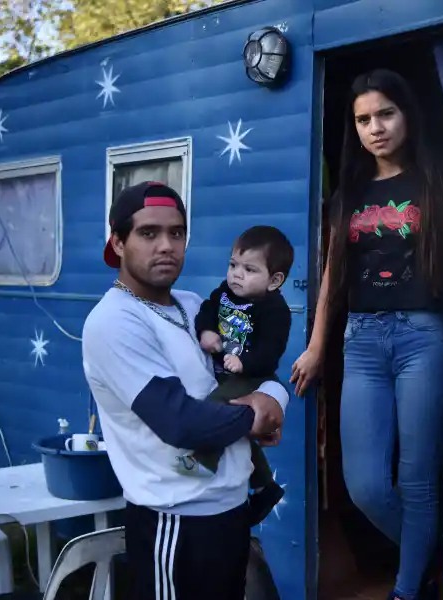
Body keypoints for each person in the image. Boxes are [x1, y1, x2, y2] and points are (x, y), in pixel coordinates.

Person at [81, 181, 288, 600]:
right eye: (148, 233)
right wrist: (255, 415)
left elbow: (260, 369)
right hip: (174, 523)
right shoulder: (114, 322)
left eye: (176, 233)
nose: (166, 245)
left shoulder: (196, 306)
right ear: (118, 242)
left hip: (230, 511)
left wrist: (274, 398)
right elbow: (182, 421)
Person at [289, 69, 443, 600]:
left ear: (407, 114)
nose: (375, 128)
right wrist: (316, 345)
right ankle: (440, 561)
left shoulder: (438, 179)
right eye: (363, 119)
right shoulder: (351, 191)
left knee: (417, 481)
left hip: (422, 336)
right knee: (365, 486)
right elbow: (334, 274)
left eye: (386, 114)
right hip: (359, 343)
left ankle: (406, 590)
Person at [192, 225, 294, 525]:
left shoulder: (275, 310)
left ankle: (202, 460)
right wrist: (206, 330)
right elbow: (207, 311)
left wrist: (245, 364)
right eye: (233, 265)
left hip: (251, 376)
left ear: (274, 280)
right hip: (226, 371)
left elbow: (271, 350)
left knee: (216, 405)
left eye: (249, 269)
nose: (236, 275)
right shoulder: (224, 293)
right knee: (240, 433)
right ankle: (265, 486)